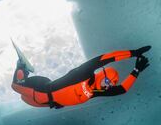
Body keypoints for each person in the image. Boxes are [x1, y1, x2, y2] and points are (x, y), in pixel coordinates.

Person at [11, 45, 151, 109]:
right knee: (15, 86)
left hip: (45, 103)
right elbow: (104, 59)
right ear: (102, 75)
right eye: (108, 81)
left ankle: (25, 77)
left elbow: (122, 89)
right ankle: (21, 67)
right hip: (41, 89)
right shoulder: (85, 73)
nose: (108, 86)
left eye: (111, 84)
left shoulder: (96, 92)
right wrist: (133, 53)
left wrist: (136, 70)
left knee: (23, 98)